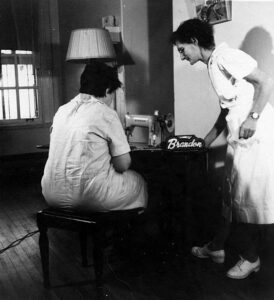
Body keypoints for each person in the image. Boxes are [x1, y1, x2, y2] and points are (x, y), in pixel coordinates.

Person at [170, 18, 274, 279]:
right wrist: (208, 137)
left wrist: (254, 118)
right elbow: (227, 107)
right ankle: (217, 247)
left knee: (245, 198)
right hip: (240, 134)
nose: (182, 56)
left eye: (182, 49)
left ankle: (251, 258)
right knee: (230, 196)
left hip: (255, 134)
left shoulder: (225, 56)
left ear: (194, 41)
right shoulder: (214, 63)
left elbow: (266, 82)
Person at [41, 61, 148, 213]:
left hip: (51, 194)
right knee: (139, 182)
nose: (111, 99)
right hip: (89, 197)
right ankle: (128, 230)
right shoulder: (106, 113)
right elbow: (123, 165)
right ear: (106, 90)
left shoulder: (61, 111)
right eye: (112, 94)